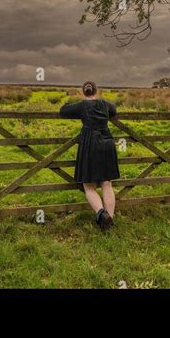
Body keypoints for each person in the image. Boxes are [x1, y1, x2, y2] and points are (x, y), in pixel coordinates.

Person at [59, 81, 119, 231]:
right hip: (107, 142)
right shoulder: (105, 104)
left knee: (88, 185)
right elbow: (114, 110)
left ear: (83, 92)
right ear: (96, 91)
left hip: (90, 144)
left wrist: (68, 102)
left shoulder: (82, 106)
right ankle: (110, 219)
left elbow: (63, 110)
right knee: (106, 183)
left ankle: (101, 214)